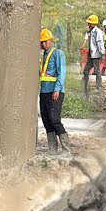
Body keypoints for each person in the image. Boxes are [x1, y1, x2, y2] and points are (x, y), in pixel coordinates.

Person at [39, 28, 70, 156]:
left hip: (54, 92)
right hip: (44, 91)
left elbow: (61, 73)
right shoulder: (44, 55)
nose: (43, 44)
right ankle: (52, 149)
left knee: (54, 119)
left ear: (51, 41)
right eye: (41, 42)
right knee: (46, 119)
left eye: (45, 41)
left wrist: (57, 89)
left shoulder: (58, 54)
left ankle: (66, 150)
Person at [81, 14, 104, 98]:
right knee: (86, 71)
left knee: (97, 71)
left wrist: (102, 53)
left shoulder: (98, 32)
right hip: (91, 55)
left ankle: (99, 87)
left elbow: (100, 43)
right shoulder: (90, 31)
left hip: (96, 54)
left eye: (90, 23)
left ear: (94, 24)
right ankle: (84, 85)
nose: (88, 25)